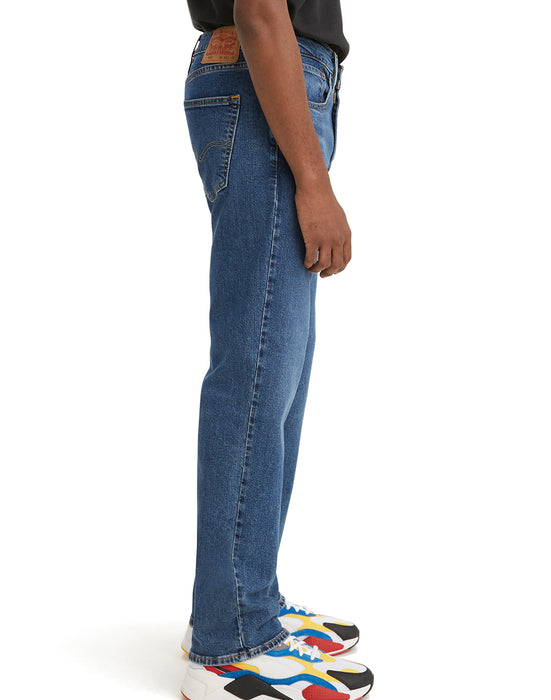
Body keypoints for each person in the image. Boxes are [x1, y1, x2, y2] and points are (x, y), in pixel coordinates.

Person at [181, 1, 374, 698]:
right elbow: (260, 8)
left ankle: (244, 596)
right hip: (264, 80)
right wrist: (314, 183)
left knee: (277, 376)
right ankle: (230, 639)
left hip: (270, 81)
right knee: (257, 373)